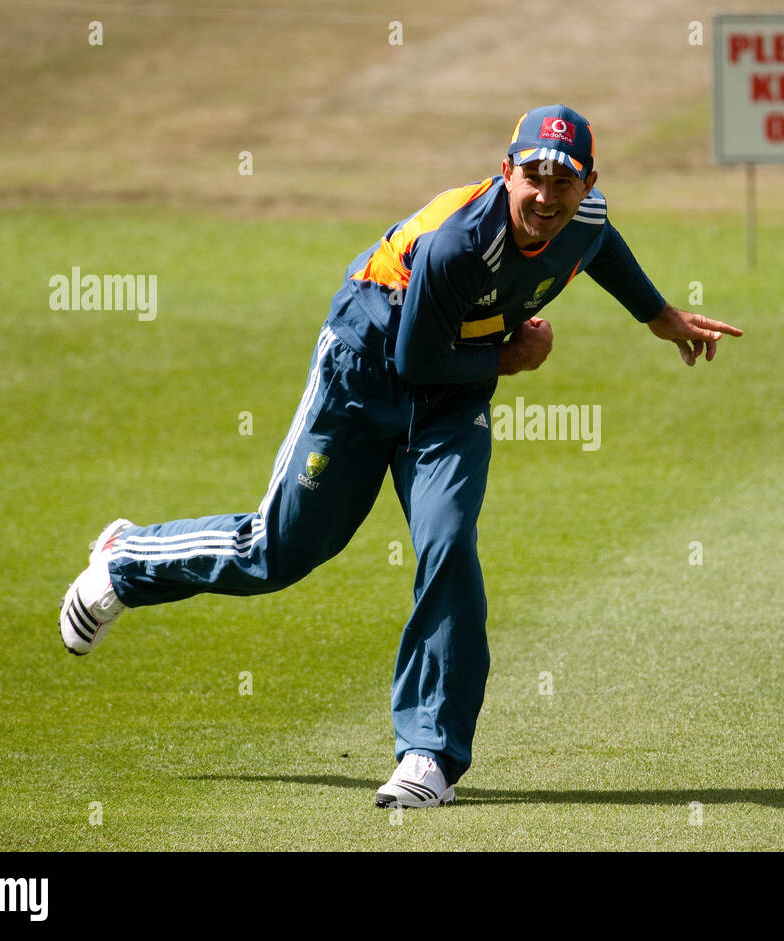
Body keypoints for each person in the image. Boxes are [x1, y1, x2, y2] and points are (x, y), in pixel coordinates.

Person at [58, 104, 742, 808]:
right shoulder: (458, 244)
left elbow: (600, 248)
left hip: (453, 395)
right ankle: (128, 558)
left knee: (446, 543)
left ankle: (429, 755)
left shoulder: (586, 217)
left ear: (589, 181)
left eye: (564, 179)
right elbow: (417, 360)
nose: (547, 194)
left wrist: (661, 316)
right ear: (506, 171)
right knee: (278, 551)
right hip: (368, 368)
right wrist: (513, 358)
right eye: (533, 174)